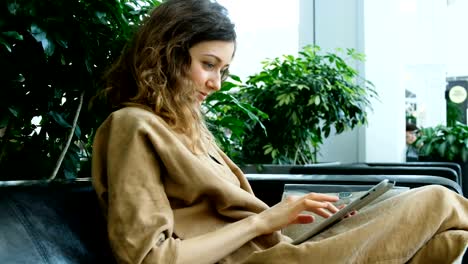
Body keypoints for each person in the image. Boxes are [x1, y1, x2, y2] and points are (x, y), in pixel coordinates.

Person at [91, 0, 468, 263]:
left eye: (223, 70)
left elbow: (230, 218)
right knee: (437, 198)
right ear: (167, 56)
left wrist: (315, 217)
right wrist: (264, 221)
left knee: (451, 243)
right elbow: (150, 258)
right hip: (265, 260)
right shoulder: (132, 127)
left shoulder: (187, 127)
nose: (216, 83)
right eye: (208, 65)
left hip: (279, 245)